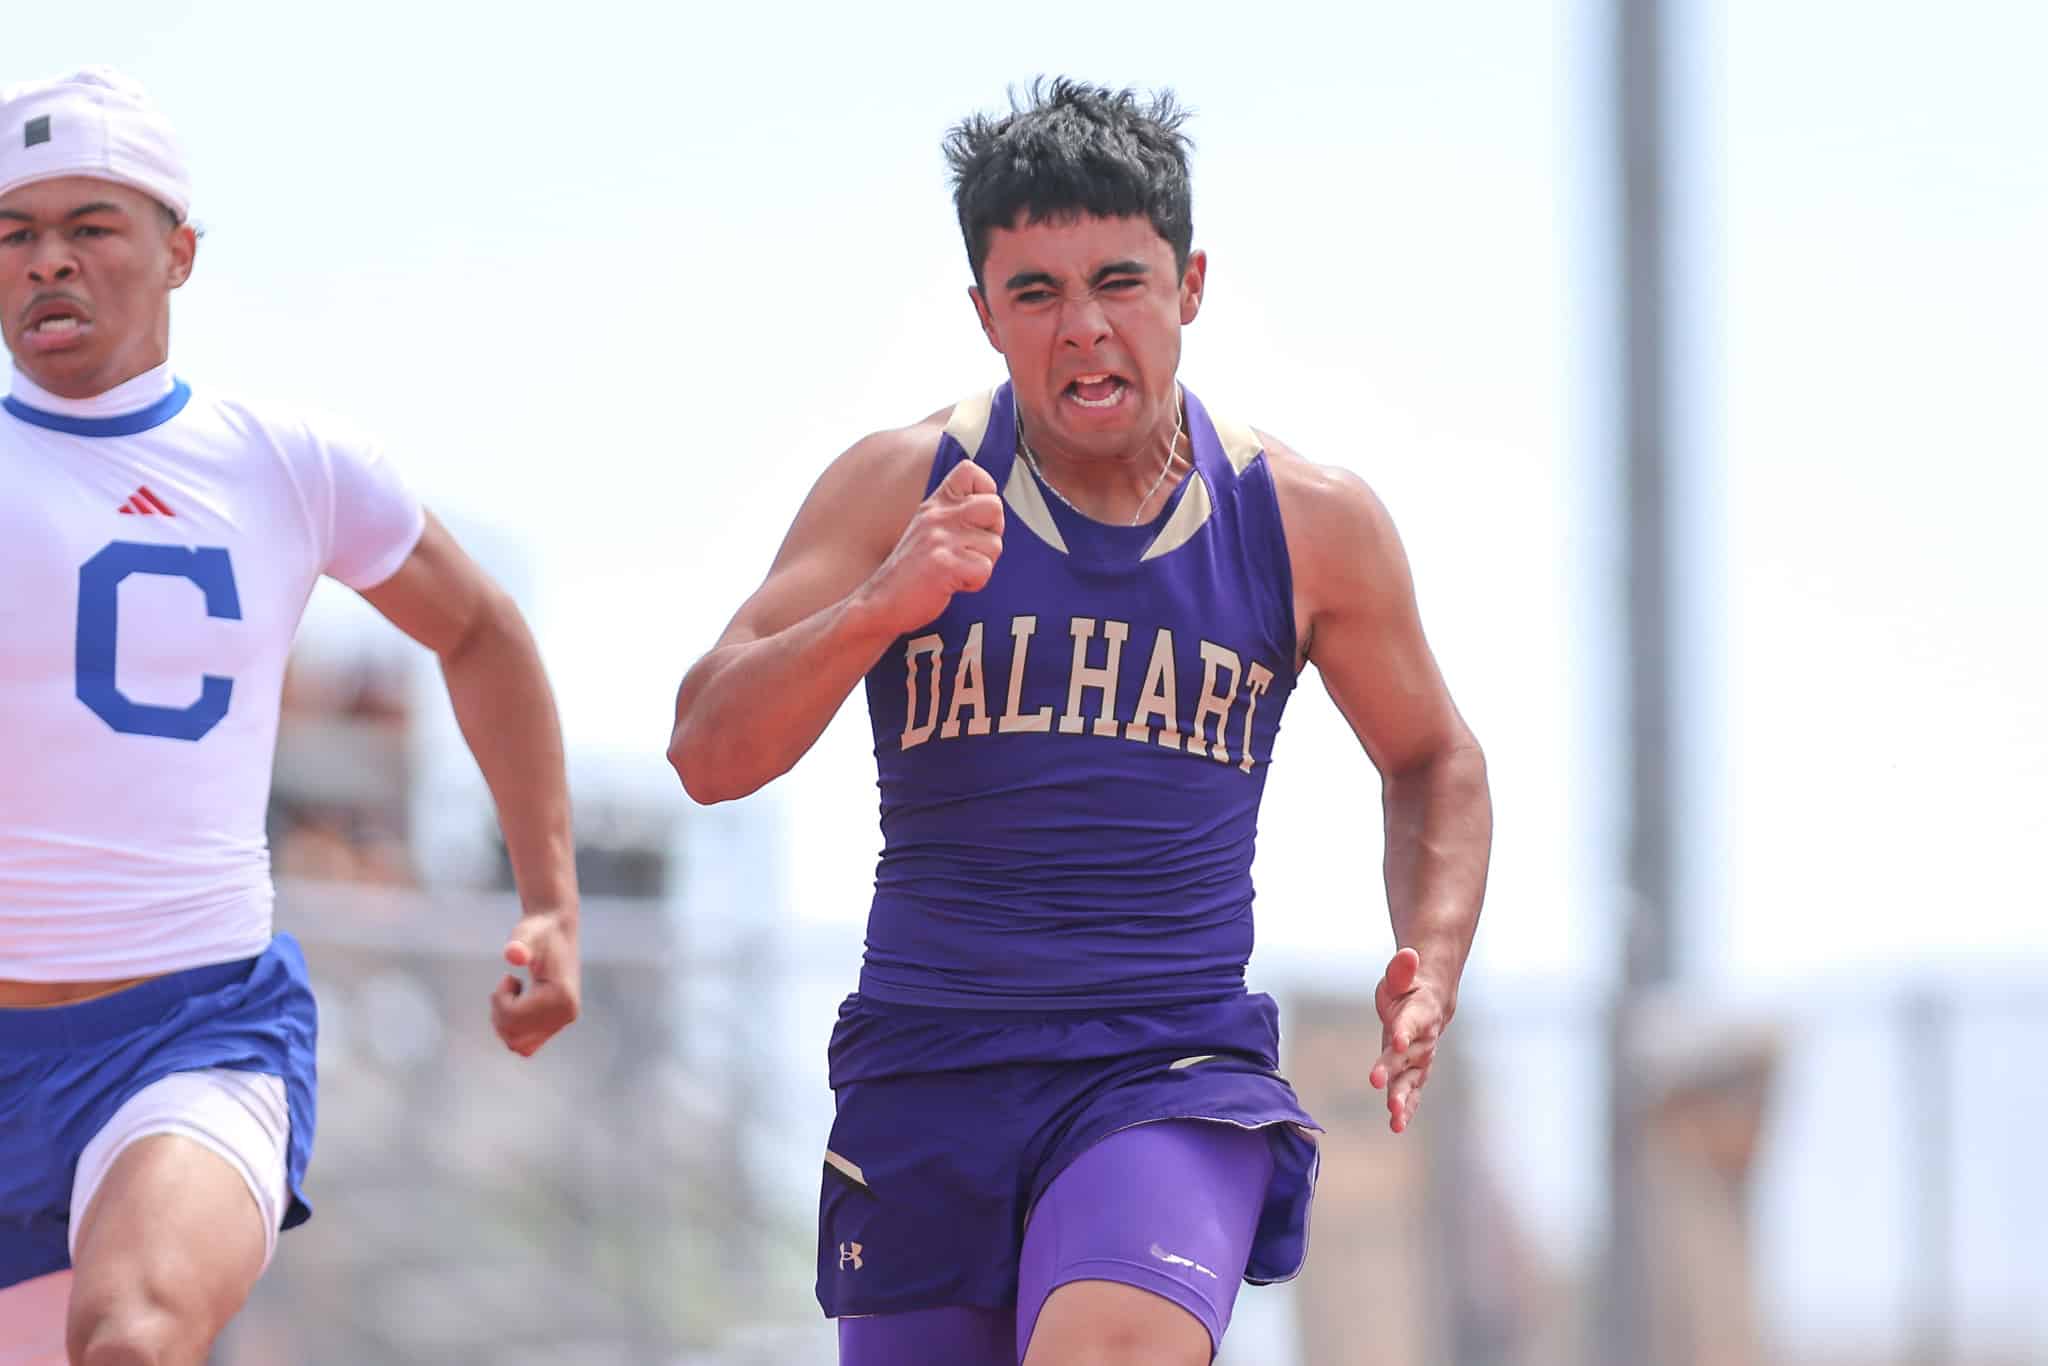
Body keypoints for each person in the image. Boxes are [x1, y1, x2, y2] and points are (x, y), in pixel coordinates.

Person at [669, 78, 1492, 1365]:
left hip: (1166, 1067)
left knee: (1110, 1343)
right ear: (983, 313)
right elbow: (708, 751)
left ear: (1189, 285)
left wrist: (1429, 959)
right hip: (928, 1070)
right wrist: (881, 605)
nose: (1084, 328)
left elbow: (1431, 754)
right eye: (1036, 292)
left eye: (1119, 282)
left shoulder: (1301, 520)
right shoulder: (900, 488)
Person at [0, 68, 582, 1364]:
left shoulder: (288, 464)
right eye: (14, 232)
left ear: (179, 252)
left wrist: (550, 899)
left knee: (133, 1334)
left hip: (187, 1034)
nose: (47, 262)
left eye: (89, 226)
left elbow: (480, 631)